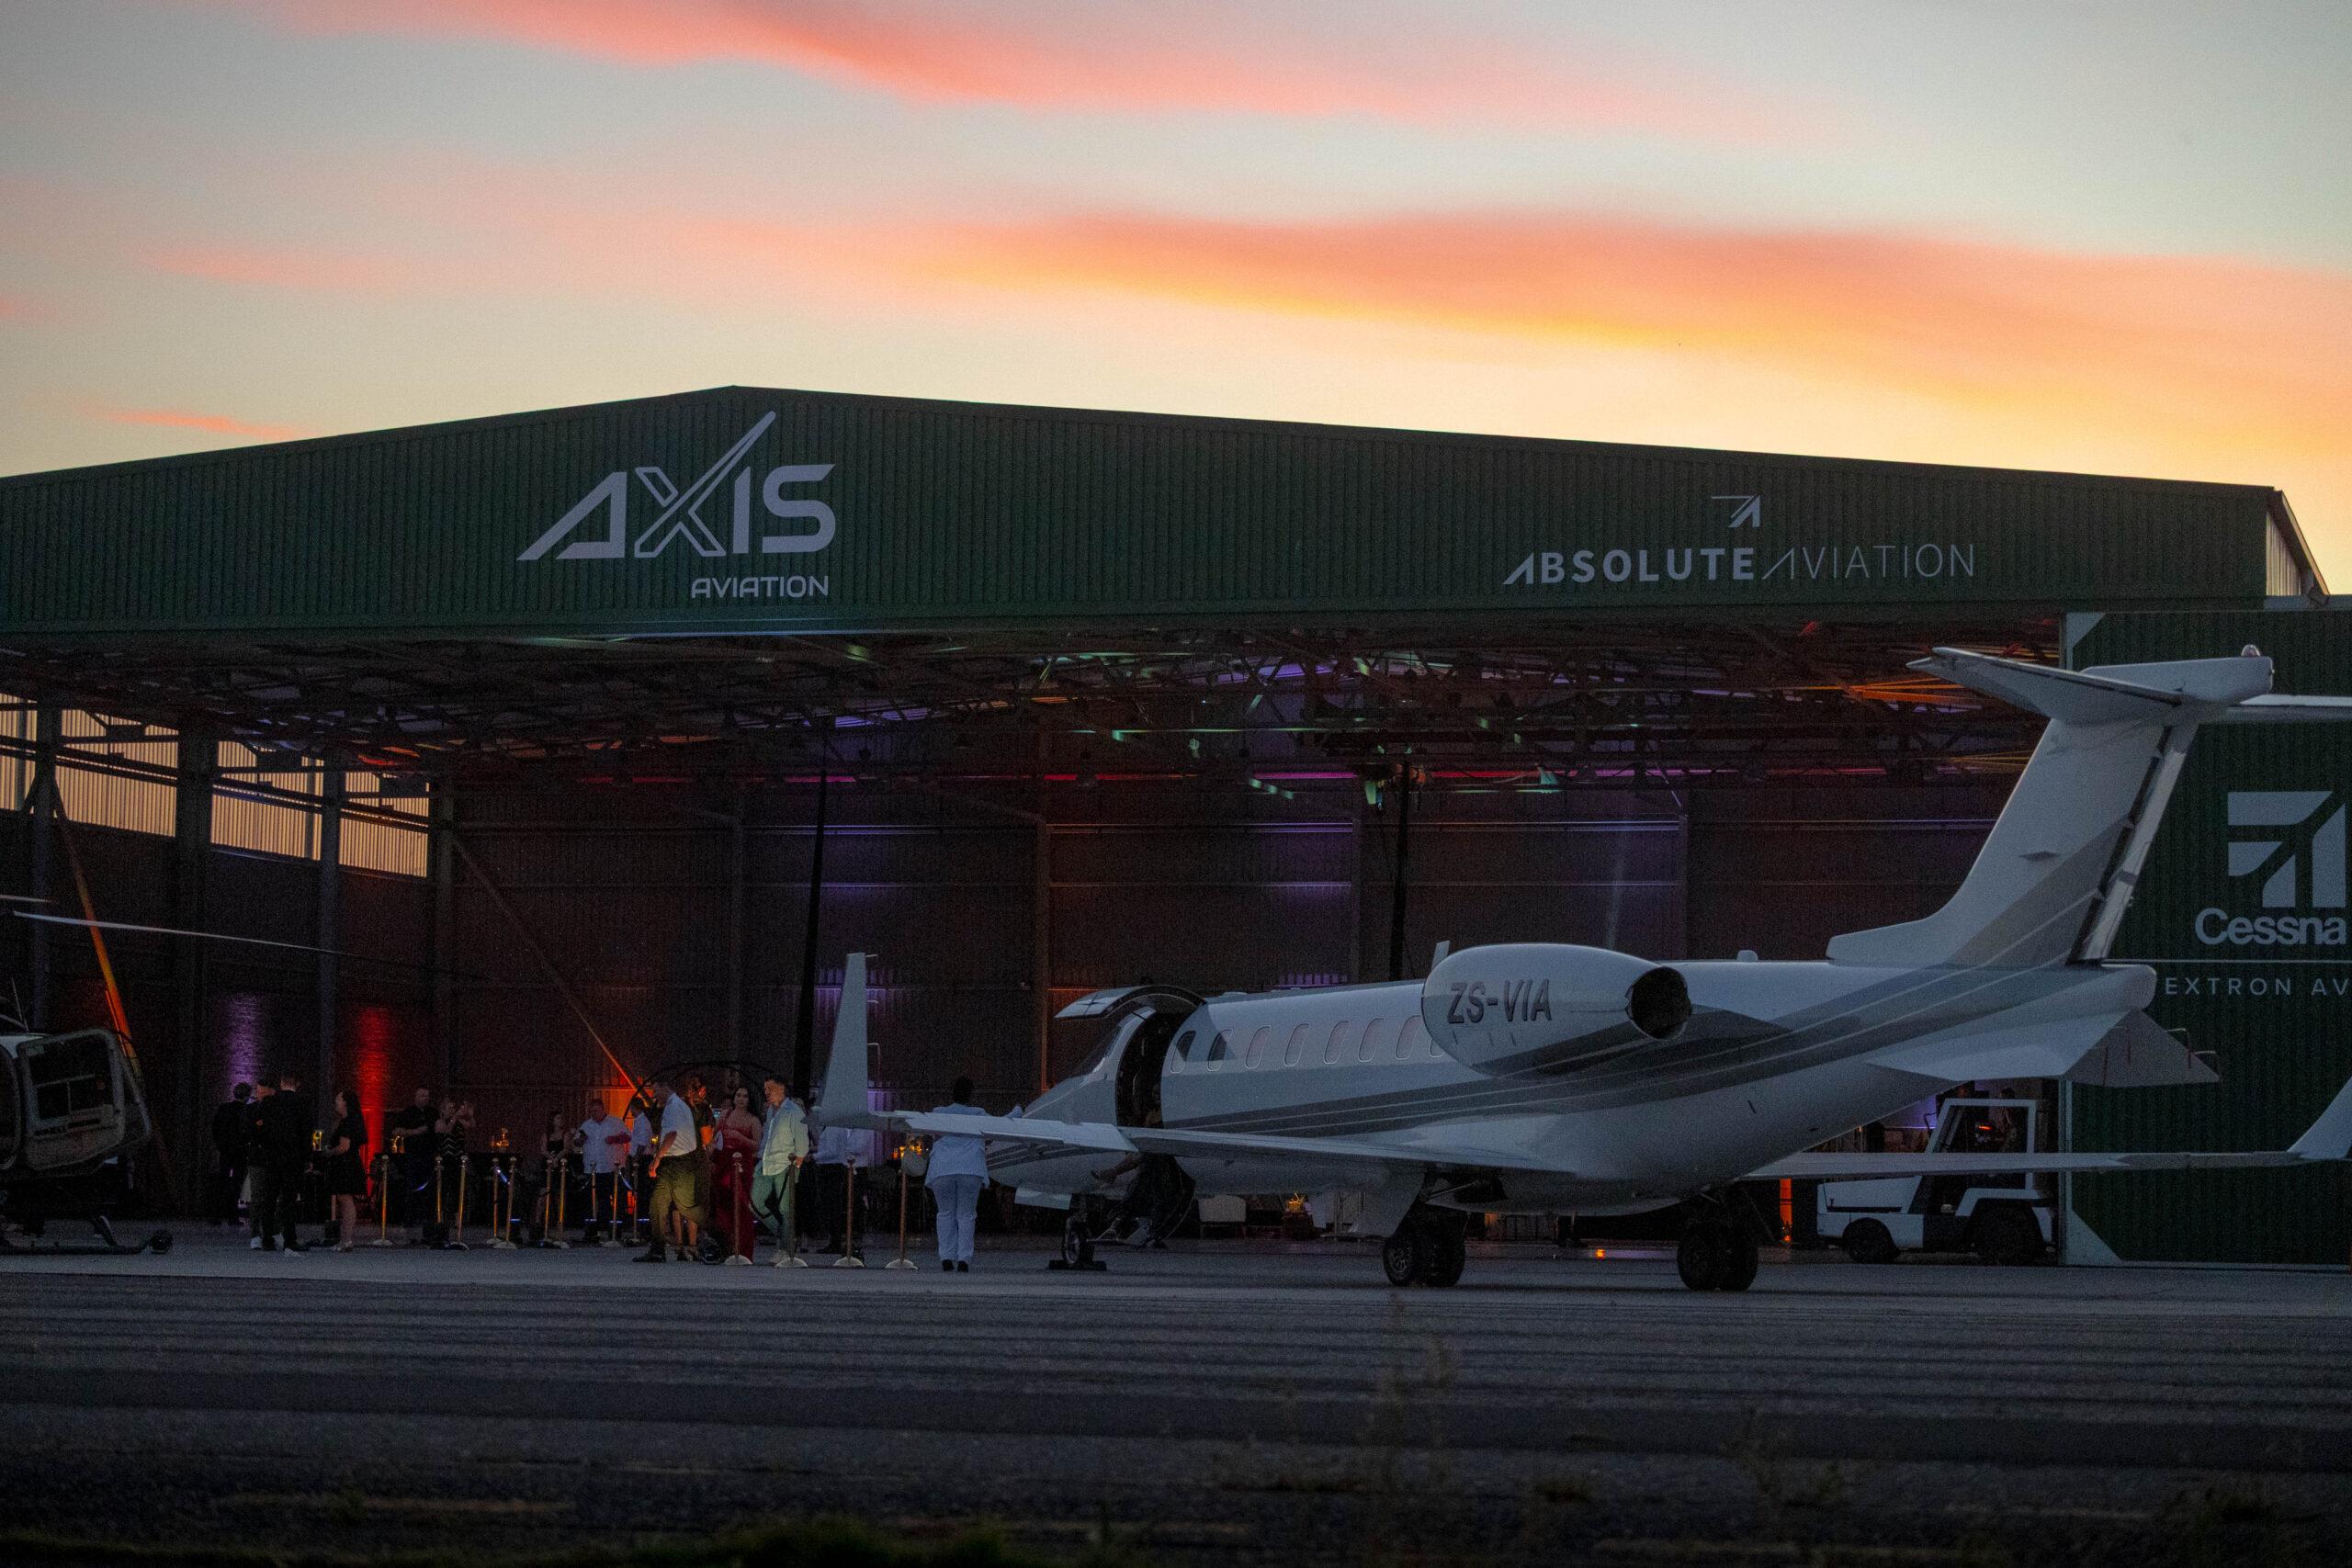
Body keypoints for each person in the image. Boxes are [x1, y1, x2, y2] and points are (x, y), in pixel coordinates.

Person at [639, 1077, 707, 1263]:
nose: (655, 1096)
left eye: (655, 1091)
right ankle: (657, 1249)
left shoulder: (673, 1107)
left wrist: (657, 1158)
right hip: (677, 1162)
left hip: (678, 1162)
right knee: (658, 1204)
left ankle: (717, 1234)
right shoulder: (677, 1105)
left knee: (685, 1206)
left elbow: (671, 1134)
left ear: (664, 1088)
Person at [926, 1077, 989, 1273]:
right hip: (970, 1168)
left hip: (943, 1168)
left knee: (945, 1213)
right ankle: (964, 1259)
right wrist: (1019, 1111)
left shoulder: (938, 1113)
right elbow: (1001, 1124)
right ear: (971, 1095)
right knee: (966, 1214)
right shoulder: (978, 1114)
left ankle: (946, 1256)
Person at [249, 1072, 313, 1254]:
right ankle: (289, 1240)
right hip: (293, 1158)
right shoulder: (302, 1103)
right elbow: (306, 1132)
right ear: (297, 1084)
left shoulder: (270, 1102)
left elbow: (260, 1129)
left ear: (282, 1083)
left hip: (271, 1157)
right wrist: (308, 1157)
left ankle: (267, 1239)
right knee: (289, 1200)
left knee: (269, 1198)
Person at [752, 1077, 808, 1256]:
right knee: (754, 1202)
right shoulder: (770, 1111)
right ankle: (781, 1232)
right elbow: (767, 1138)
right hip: (767, 1163)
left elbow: (802, 1142)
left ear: (781, 1088)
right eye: (765, 1088)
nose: (766, 1092)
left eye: (770, 1088)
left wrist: (796, 1166)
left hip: (785, 1164)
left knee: (785, 1208)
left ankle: (785, 1248)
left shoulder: (794, 1111)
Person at [708, 1085, 763, 1259]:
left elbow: (757, 1145)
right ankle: (727, 1247)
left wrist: (740, 1138)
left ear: (749, 1099)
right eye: (738, 1095)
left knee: (742, 1206)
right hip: (724, 1162)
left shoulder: (753, 1120)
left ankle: (744, 1251)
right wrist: (711, 1148)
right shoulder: (725, 1115)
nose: (740, 1099)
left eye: (744, 1096)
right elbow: (713, 1137)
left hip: (742, 1164)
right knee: (723, 1204)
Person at [385, 1088, 436, 1236]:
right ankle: (409, 1218)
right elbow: (395, 1131)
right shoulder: (408, 1113)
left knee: (429, 1188)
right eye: (421, 1095)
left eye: (427, 1095)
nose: (424, 1098)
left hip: (429, 1156)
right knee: (411, 1187)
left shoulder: (433, 1113)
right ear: (415, 1097)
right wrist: (415, 1132)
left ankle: (428, 1219)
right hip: (412, 1155)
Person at [577, 1100, 629, 1240]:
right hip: (593, 1170)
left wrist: (615, 1139)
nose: (593, 1114)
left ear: (603, 1109)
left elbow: (628, 1136)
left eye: (596, 1111)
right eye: (591, 1111)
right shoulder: (586, 1125)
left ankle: (615, 1232)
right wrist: (581, 1139)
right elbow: (576, 1142)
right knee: (595, 1201)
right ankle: (592, 1231)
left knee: (617, 1200)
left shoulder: (615, 1122)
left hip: (612, 1168)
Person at [323, 1089, 368, 1251]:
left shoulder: (347, 1123)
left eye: (338, 1099)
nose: (336, 1102)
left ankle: (346, 1240)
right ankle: (345, 1239)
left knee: (346, 1200)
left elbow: (344, 1147)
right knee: (345, 1200)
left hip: (345, 1165)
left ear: (345, 1103)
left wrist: (329, 1152)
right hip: (350, 1163)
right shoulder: (353, 1121)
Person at [209, 1083, 253, 1226]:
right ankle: (232, 1216)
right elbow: (247, 1132)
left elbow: (215, 1128)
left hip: (225, 1151)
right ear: (246, 1096)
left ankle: (216, 1216)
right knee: (237, 1184)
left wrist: (220, 1145)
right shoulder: (246, 1111)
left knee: (221, 1182)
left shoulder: (223, 1109)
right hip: (240, 1152)